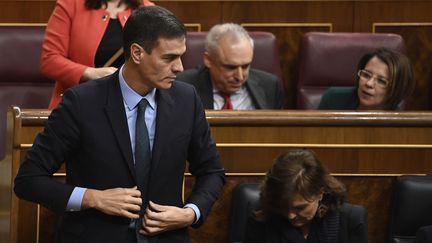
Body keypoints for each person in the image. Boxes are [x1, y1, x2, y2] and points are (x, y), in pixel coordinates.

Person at [14, 6, 225, 243]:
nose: (179, 68)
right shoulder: (81, 103)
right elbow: (28, 180)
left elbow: (212, 171)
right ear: (137, 53)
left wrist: (189, 214)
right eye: (169, 58)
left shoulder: (187, 99)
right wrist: (93, 198)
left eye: (181, 56)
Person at [41, 0, 154, 109]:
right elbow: (50, 60)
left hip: (130, 106)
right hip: (79, 105)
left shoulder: (148, 11)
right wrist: (92, 73)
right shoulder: (70, 4)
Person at [244, 149, 368, 243]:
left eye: (299, 208)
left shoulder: (351, 220)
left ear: (320, 193)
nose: (290, 215)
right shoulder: (260, 222)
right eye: (283, 206)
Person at [176, 23, 283, 110]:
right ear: (208, 60)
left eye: (245, 66)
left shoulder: (270, 86)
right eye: (231, 67)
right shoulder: (182, 87)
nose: (240, 77)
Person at [318, 47, 415, 110]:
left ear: (396, 89)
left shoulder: (400, 123)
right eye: (366, 75)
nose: (369, 84)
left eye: (381, 81)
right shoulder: (333, 99)